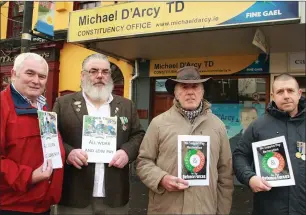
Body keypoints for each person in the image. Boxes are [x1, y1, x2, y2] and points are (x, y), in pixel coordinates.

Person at [53, 53, 145, 215]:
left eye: (105, 72)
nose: (100, 76)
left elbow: (138, 134)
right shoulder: (63, 104)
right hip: (74, 196)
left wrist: (126, 152)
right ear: (82, 75)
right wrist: (68, 153)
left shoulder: (126, 105)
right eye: (93, 71)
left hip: (115, 196)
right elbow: (53, 136)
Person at [136, 66, 234, 214]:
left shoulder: (218, 126)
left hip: (205, 209)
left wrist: (222, 212)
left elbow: (225, 175)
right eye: (184, 87)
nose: (190, 92)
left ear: (202, 91)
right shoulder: (158, 124)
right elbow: (143, 162)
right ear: (175, 92)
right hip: (167, 208)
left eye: (195, 86)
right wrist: (161, 178)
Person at [0, 53, 65, 214]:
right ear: (14, 74)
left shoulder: (42, 107)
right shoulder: (2, 106)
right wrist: (29, 176)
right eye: (30, 73)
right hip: (11, 206)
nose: (36, 81)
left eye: (42, 76)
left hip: (42, 205)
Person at [233, 74, 305, 215]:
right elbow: (239, 156)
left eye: (290, 91)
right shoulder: (258, 126)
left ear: (299, 93)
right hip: (269, 208)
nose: (286, 96)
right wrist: (250, 178)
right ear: (272, 96)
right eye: (280, 92)